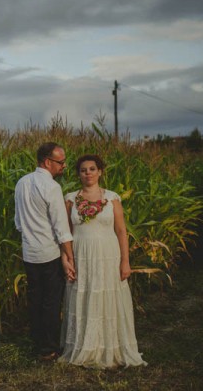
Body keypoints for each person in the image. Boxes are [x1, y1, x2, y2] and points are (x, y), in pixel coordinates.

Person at [58, 154, 147, 368]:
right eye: (83, 170)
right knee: (84, 295)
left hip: (108, 255)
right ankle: (84, 346)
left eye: (92, 169)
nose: (88, 173)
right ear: (78, 174)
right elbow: (65, 233)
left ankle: (111, 347)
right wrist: (65, 258)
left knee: (108, 297)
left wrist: (125, 262)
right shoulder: (70, 199)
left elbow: (121, 231)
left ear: (100, 172)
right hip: (81, 255)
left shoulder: (112, 198)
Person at [14, 142, 76, 361]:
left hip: (29, 253)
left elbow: (18, 223)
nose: (64, 166)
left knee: (36, 299)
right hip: (49, 253)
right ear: (48, 161)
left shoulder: (21, 182)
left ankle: (38, 343)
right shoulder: (52, 187)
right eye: (61, 162)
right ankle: (49, 348)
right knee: (51, 301)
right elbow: (62, 228)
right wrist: (69, 256)